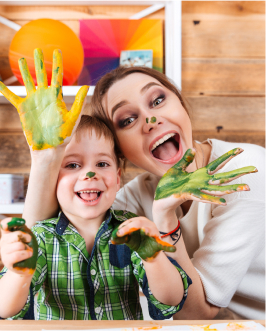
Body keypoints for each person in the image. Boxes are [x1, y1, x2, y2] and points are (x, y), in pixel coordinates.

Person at [0, 50, 264, 320]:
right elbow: (60, 226)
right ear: (120, 151)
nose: (151, 121)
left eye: (158, 100)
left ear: (182, 104)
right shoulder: (140, 191)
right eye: (127, 119)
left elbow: (197, 313)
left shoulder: (245, 173)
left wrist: (164, 217)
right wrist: (45, 159)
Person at [0, 115, 191, 320]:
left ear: (117, 180)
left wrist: (154, 259)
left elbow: (171, 301)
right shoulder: (41, 237)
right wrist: (18, 274)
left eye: (101, 163)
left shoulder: (133, 231)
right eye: (73, 165)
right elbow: (5, 310)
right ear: (53, 180)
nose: (90, 173)